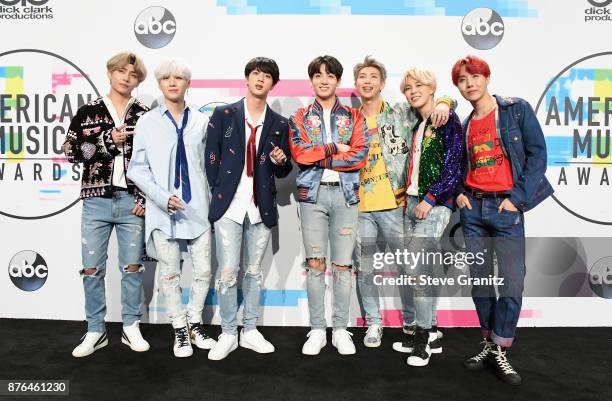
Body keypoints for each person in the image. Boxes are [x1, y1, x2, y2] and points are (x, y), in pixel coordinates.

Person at [452, 55, 553, 385]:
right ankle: (487, 343)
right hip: (474, 211)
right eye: (463, 80)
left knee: (511, 281)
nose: (470, 84)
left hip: (505, 209)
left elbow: (538, 154)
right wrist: (460, 195)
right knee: (481, 281)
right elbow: (460, 166)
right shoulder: (465, 125)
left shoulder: (515, 109)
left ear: (486, 77)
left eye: (474, 77)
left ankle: (501, 347)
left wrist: (517, 199)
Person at [352, 56, 453, 348]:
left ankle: (416, 324)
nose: (368, 81)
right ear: (356, 84)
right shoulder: (350, 120)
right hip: (360, 208)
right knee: (366, 268)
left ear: (382, 83)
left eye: (373, 76)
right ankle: (374, 323)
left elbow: (432, 106)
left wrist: (445, 101)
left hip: (397, 205)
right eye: (362, 77)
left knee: (411, 267)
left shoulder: (400, 113)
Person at [205, 57, 292, 361]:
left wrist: (282, 161)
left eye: (267, 76)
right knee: (228, 273)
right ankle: (228, 332)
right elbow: (211, 159)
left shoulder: (280, 124)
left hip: (261, 207)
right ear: (247, 77)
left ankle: (250, 330)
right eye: (256, 73)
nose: (260, 79)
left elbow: (284, 171)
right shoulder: (224, 114)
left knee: (253, 272)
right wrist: (220, 193)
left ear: (272, 83)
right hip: (229, 207)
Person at [128, 59, 217, 358]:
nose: (173, 82)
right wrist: (160, 196)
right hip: (161, 209)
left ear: (188, 83)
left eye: (179, 77)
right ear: (159, 83)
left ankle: (195, 323)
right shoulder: (147, 122)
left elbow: (209, 166)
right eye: (166, 77)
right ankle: (179, 329)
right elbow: (137, 169)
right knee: (169, 273)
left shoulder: (202, 122)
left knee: (204, 270)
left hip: (198, 209)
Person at [63, 51, 150, 357]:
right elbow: (72, 151)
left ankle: (130, 326)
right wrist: (107, 142)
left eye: (134, 74)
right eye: (122, 71)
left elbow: (155, 161)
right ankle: (95, 330)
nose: (127, 78)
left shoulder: (145, 114)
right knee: (91, 269)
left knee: (132, 268)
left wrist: (144, 198)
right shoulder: (88, 112)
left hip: (132, 202)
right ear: (110, 72)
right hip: (95, 201)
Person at [289, 55, 368, 356]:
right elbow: (300, 153)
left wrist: (319, 155)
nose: (324, 80)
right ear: (311, 80)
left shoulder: (354, 116)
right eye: (318, 75)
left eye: (330, 75)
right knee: (315, 265)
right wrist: (335, 148)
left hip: (346, 195)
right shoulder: (299, 116)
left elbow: (359, 156)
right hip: (312, 195)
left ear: (338, 80)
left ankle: (340, 329)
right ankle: (317, 329)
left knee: (343, 266)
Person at [391, 68, 462, 367]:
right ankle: (429, 329)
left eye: (420, 85)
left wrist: (431, 198)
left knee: (418, 270)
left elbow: (454, 165)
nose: (413, 91)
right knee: (416, 270)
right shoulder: (419, 123)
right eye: (408, 88)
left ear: (433, 88)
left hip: (432, 204)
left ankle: (422, 342)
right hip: (411, 201)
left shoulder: (446, 118)